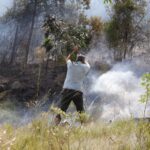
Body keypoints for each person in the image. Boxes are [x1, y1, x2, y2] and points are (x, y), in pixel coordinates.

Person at [54, 46, 90, 125]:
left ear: (77, 59)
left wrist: (74, 51)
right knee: (81, 111)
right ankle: (84, 126)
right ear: (83, 61)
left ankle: (55, 126)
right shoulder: (86, 67)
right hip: (78, 90)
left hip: (67, 89)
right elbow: (87, 64)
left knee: (61, 109)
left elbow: (68, 58)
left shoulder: (71, 65)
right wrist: (85, 60)